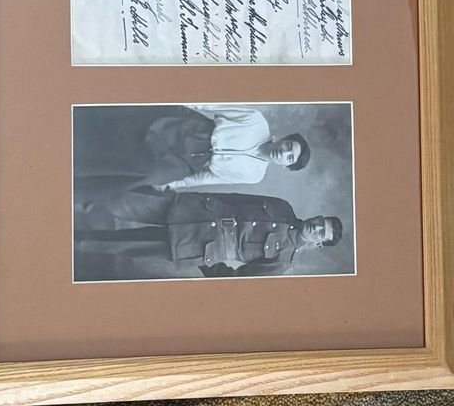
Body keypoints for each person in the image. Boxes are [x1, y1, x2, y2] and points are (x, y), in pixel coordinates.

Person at [73, 186, 343, 281]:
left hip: (195, 246)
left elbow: (234, 280)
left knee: (118, 246)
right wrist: (196, 198)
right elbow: (235, 197)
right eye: (321, 222)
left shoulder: (283, 262)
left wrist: (206, 260)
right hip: (192, 211)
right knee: (120, 200)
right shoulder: (283, 207)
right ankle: (69, 194)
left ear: (319, 243)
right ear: (318, 216)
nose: (316, 227)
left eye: (322, 233)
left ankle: (70, 243)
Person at [73, 104, 311, 191]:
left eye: (289, 158)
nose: (284, 152)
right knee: (139, 129)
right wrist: (185, 99)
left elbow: (210, 178)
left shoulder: (255, 175)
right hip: (193, 130)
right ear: (283, 138)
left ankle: (81, 169)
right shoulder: (256, 120)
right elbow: (216, 104)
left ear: (285, 166)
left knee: (148, 174)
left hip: (190, 164)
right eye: (289, 146)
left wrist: (176, 183)